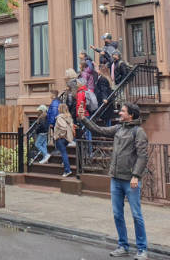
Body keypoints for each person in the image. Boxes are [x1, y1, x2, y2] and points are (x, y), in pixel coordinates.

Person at [81, 103, 149, 259]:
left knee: (136, 215)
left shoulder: (138, 132)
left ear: (131, 115)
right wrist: (83, 119)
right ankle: (123, 246)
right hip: (116, 179)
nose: (119, 113)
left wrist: (136, 176)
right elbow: (99, 130)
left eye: (123, 111)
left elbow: (143, 156)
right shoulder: (119, 128)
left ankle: (142, 249)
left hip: (130, 180)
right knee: (117, 214)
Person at [53, 103, 74, 177]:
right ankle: (65, 162)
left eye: (59, 108)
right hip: (67, 138)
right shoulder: (69, 117)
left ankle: (67, 170)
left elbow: (64, 127)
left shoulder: (60, 118)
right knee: (62, 151)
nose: (58, 109)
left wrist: (59, 135)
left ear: (61, 109)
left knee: (63, 153)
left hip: (61, 138)